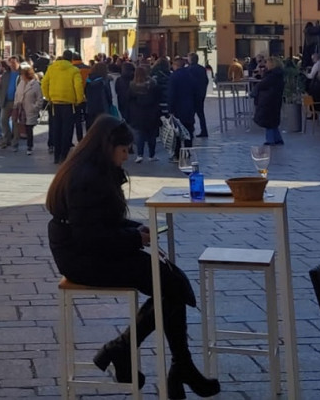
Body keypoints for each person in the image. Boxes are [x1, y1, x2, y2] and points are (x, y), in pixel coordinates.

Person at [46, 115, 220, 397]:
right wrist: (134, 238)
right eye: (124, 150)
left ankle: (149, 357)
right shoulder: (86, 178)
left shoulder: (94, 171)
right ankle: (162, 361)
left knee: (169, 280)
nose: (126, 157)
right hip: (80, 257)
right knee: (169, 282)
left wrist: (136, 230)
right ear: (107, 146)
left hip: (91, 248)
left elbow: (103, 222)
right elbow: (89, 236)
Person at [42, 53, 84, 164]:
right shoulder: (74, 70)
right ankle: (63, 155)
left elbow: (44, 83)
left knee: (56, 129)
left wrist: (48, 97)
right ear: (71, 59)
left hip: (55, 103)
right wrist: (79, 100)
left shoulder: (51, 68)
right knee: (67, 129)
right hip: (69, 104)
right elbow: (78, 86)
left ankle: (56, 154)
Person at [128, 65, 163, 163]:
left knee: (139, 134)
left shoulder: (132, 86)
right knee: (152, 135)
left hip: (137, 113)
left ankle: (140, 155)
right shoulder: (153, 84)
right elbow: (158, 97)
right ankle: (151, 155)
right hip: (151, 113)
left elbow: (129, 100)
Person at [166, 58, 195, 159]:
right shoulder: (190, 75)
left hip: (177, 108)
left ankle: (177, 154)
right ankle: (188, 150)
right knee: (188, 130)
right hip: (189, 107)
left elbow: (171, 94)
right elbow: (196, 91)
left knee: (176, 132)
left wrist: (170, 109)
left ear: (176, 65)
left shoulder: (174, 76)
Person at [253, 57, 286, 146]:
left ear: (272, 64)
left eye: (267, 63)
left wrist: (255, 90)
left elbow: (263, 84)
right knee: (273, 121)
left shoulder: (272, 75)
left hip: (269, 100)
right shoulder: (278, 74)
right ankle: (278, 139)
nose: (266, 64)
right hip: (274, 100)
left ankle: (270, 140)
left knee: (269, 121)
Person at [14, 63, 44, 154]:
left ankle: (29, 147)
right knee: (18, 126)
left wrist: (35, 107)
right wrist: (16, 105)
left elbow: (39, 98)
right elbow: (17, 94)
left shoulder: (35, 85)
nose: (21, 76)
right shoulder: (21, 83)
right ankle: (15, 144)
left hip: (30, 109)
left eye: (22, 74)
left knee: (29, 128)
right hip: (21, 108)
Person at [84, 62, 113, 130]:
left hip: (90, 108)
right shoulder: (104, 80)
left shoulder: (88, 80)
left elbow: (85, 93)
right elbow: (109, 95)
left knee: (91, 129)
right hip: (102, 107)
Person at [186, 54, 210, 138]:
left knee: (190, 113)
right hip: (201, 94)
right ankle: (204, 130)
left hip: (192, 95)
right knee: (201, 114)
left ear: (191, 60)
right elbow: (206, 81)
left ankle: (190, 130)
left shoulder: (189, 69)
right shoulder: (202, 69)